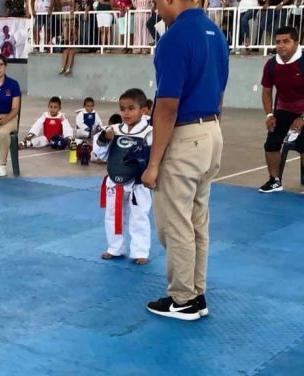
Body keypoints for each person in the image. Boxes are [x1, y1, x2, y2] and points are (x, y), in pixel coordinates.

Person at [141, 0, 228, 321]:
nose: (155, 7)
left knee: (173, 224)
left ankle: (182, 299)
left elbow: (166, 106)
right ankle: (195, 293)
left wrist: (153, 164)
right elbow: (219, 93)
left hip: (184, 136)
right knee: (196, 220)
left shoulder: (174, 38)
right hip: (211, 132)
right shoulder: (216, 34)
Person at [95, 88, 153, 265]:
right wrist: (104, 139)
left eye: (131, 108)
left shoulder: (150, 132)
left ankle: (140, 251)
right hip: (115, 181)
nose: (126, 113)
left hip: (138, 184)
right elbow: (99, 154)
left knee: (139, 216)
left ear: (143, 110)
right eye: (122, 109)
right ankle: (115, 248)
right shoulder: (113, 129)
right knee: (112, 215)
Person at [259, 26, 304, 193]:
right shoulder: (271, 65)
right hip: (284, 109)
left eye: (286, 41)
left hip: (303, 111)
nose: (281, 45)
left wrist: (302, 118)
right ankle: (275, 181)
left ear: (297, 43)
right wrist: (269, 114)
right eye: (278, 42)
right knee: (271, 143)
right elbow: (266, 90)